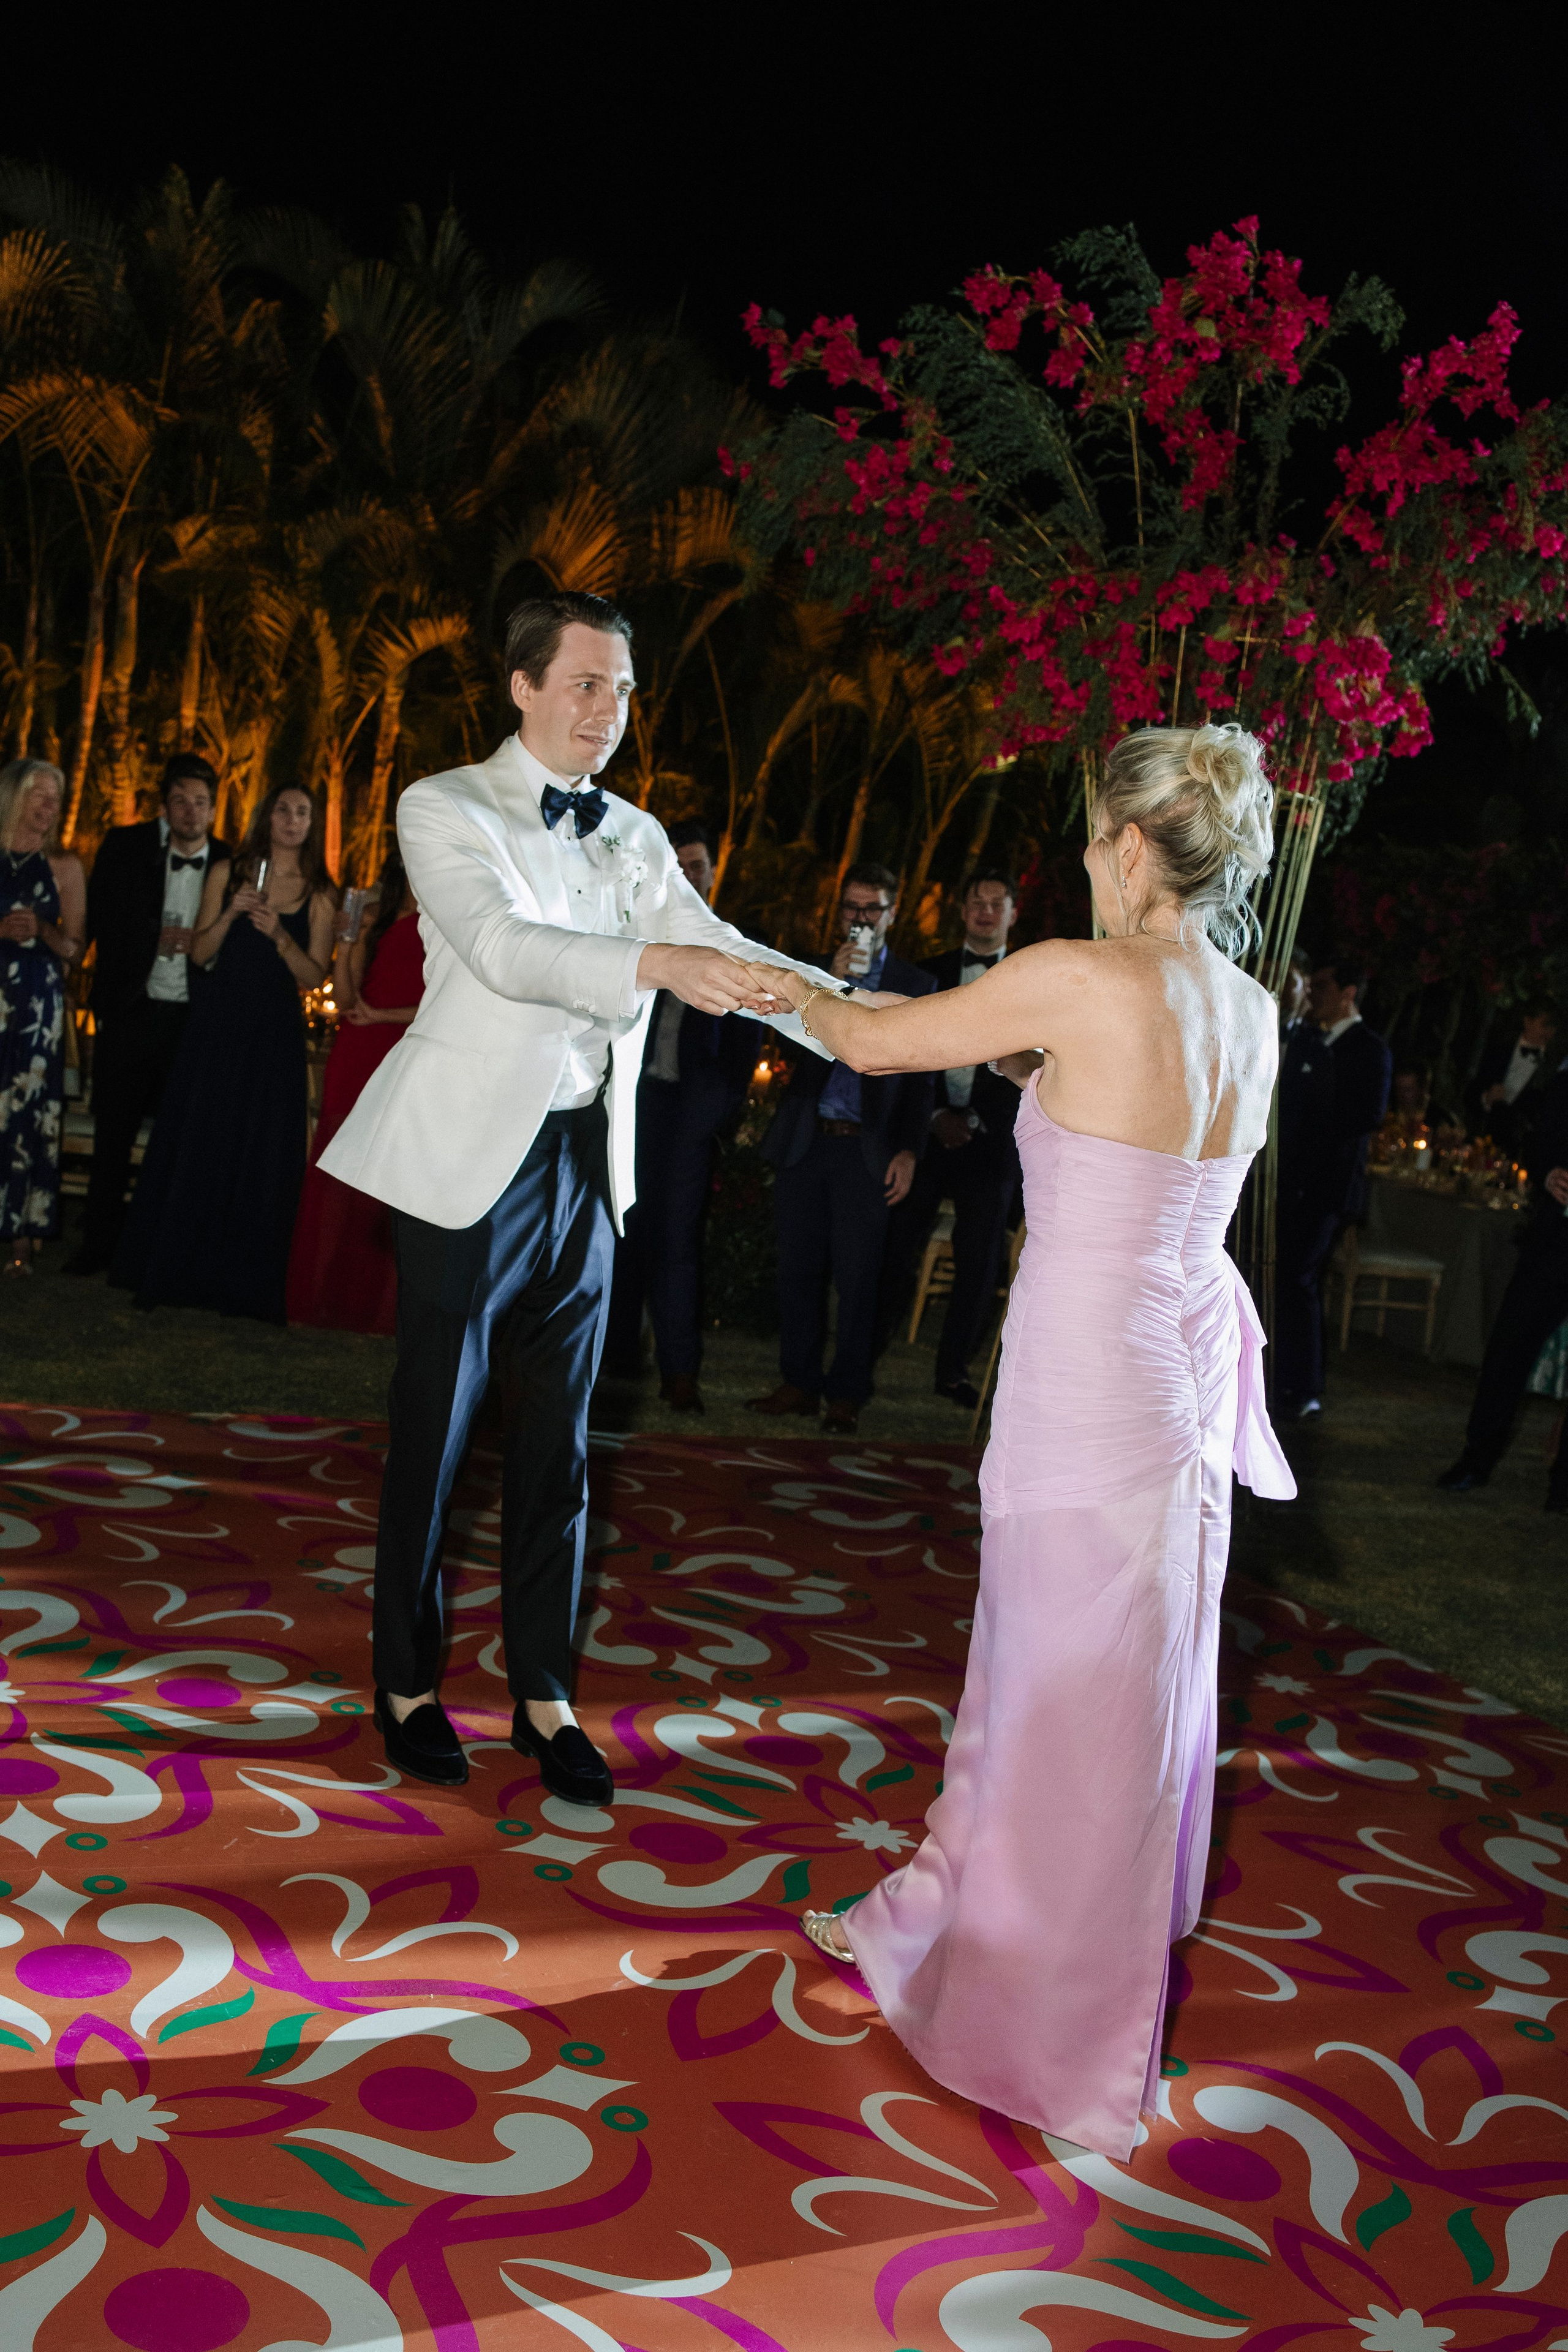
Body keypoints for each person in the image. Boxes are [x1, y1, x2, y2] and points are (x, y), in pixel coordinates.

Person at [735, 722, 1294, 2163]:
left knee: (1057, 1703)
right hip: (1167, 1393)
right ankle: (923, 1918)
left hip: (1081, 1383)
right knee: (1063, 1688)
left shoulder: (1081, 975)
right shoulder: (1251, 1006)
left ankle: (1053, 2031)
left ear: (1123, 846)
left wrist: (727, 964)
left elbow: (863, 1033)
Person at [317, 591, 839, 1799]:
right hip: (464, 1168)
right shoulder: (444, 805)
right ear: (522, 684)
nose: (607, 710)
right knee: (435, 1440)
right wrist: (661, 964)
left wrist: (876, 1029)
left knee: (562, 1451)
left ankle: (541, 1697)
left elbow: (726, 947)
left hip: (581, 1171)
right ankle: (403, 1683)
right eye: (585, 684)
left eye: (621, 690)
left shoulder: (635, 835)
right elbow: (505, 952)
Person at [111, 783, 335, 1321]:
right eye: (283, 809)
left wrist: (281, 937)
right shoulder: (226, 872)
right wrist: (231, 915)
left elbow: (313, 976)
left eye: (302, 813)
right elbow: (200, 955)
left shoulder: (321, 894)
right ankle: (173, 1269)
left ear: (313, 824)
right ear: (267, 816)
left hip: (273, 1036)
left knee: (259, 1152)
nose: (292, 820)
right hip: (217, 1030)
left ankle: (243, 1282)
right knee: (201, 1141)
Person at [748, 863, 936, 1438]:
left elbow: (922, 1079)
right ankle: (798, 1382)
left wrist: (909, 1151)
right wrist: (823, 987)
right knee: (798, 1271)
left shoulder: (917, 982)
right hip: (808, 1144)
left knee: (860, 1280)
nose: (860, 919)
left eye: (871, 908)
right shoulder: (810, 973)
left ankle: (846, 1393)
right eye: (852, 907)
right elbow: (787, 1058)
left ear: (892, 913)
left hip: (867, 1153)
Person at [603, 820, 763, 1411]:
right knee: (621, 1230)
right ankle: (617, 1355)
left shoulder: (727, 940)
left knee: (676, 1240)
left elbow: (745, 1047)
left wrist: (717, 1113)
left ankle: (679, 1373)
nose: (687, 875)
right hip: (633, 1105)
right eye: (678, 866)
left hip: (689, 1115)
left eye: (697, 866)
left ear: (713, 873)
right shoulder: (631, 931)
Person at [67, 753, 230, 1274]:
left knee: (180, 1140)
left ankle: (159, 1252)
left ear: (212, 809)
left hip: (193, 1022)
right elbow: (100, 919)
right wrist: (149, 939)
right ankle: (98, 1247)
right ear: (165, 805)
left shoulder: (231, 862)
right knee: (112, 1135)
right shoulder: (124, 846)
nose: (190, 811)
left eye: (200, 803)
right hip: (130, 1012)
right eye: (180, 800)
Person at [878, 868, 1024, 1409]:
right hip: (927, 1135)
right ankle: (868, 1349)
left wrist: (978, 1120)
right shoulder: (928, 973)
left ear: (1013, 913)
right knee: (895, 1242)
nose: (986, 912)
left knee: (981, 1261)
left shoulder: (1029, 980)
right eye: (977, 902)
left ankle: (954, 1370)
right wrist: (936, 1114)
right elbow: (908, 1054)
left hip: (992, 1147)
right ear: (963, 912)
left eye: (997, 903)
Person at [285, 837, 424, 1334]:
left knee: (391, 1178)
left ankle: (376, 1307)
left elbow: (450, 1006)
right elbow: (346, 998)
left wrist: (382, 1014)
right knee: (339, 1172)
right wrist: (345, 948)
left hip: (411, 1052)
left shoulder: (453, 921)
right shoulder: (375, 913)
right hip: (358, 1049)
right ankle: (323, 1298)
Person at [1438, 1055, 1568, 1512]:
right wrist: (1549, 1172)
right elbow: (1538, 1142)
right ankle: (1475, 1459)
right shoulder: (1564, 1082)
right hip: (1553, 1245)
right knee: (1508, 1350)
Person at [1273, 955, 1392, 1416]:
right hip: (1297, 1181)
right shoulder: (1306, 1040)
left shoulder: (1368, 1048)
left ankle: (1303, 1388)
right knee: (1290, 1277)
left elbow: (1367, 1115)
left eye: (1322, 986)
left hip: (1329, 1188)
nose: (1313, 994)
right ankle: (1287, 1378)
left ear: (1348, 993)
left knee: (1300, 1278)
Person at [0, 759, 84, 1273]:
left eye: (57, 796)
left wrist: (44, 932)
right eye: (40, 794)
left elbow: (75, 948)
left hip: (37, 1001)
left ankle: (22, 1237)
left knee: (28, 1109)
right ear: (13, 796)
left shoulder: (66, 867)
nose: (50, 805)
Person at [1469, 997, 1558, 1159]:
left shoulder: (1553, 1067)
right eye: (1544, 1025)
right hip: (1482, 1139)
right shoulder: (1498, 1049)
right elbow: (1471, 1093)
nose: (1549, 1032)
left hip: (1519, 1151)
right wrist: (1487, 1097)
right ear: (1528, 1022)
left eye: (1553, 1027)